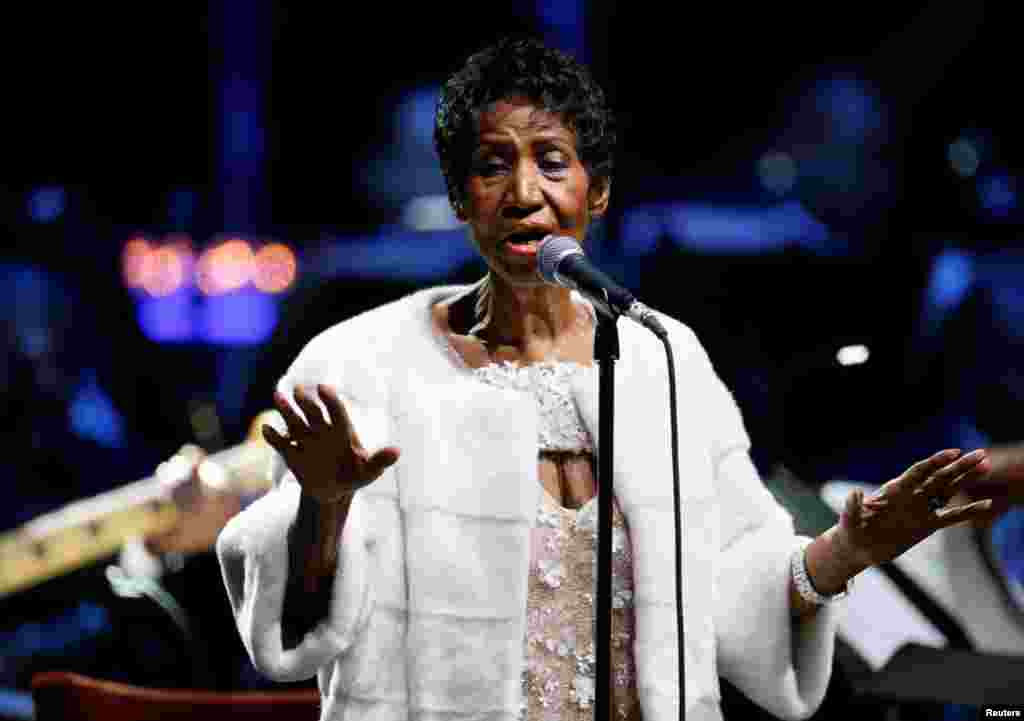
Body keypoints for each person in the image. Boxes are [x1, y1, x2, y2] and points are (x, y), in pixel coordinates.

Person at [214, 37, 1004, 721]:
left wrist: (842, 552)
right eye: (493, 166)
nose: (525, 194)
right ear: (461, 196)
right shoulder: (359, 364)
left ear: (596, 192)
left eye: (551, 162)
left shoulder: (664, 360)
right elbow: (283, 633)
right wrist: (324, 505)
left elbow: (741, 600)